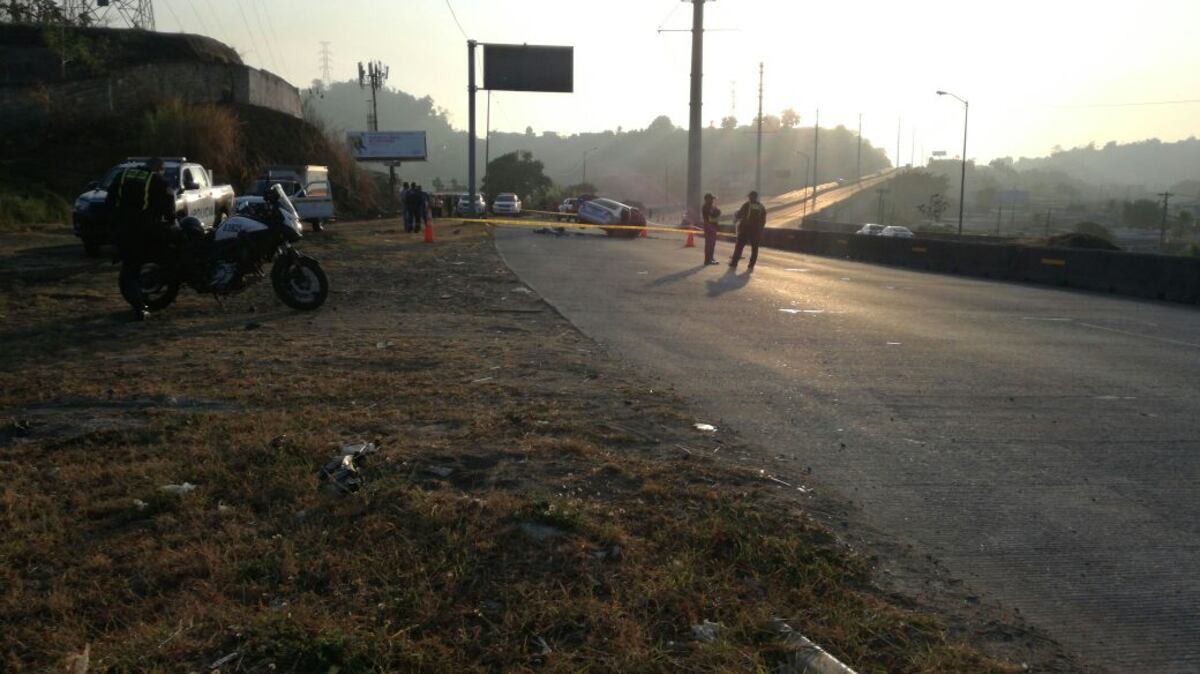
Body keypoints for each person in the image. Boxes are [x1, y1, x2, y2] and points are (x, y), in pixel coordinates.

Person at [105, 157, 176, 320]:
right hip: (143, 229)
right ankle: (139, 308)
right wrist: (170, 221)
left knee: (130, 265)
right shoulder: (157, 180)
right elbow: (168, 206)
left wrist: (113, 223)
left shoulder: (123, 175)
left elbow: (109, 200)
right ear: (159, 168)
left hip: (122, 228)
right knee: (134, 267)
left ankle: (139, 299)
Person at [730, 190, 767, 271]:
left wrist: (736, 216)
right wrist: (760, 230)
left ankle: (734, 263)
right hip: (756, 231)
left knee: (739, 247)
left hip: (745, 230)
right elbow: (763, 220)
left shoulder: (746, 205)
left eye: (749, 196)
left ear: (750, 197)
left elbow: (739, 215)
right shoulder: (761, 207)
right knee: (754, 249)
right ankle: (751, 265)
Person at [701, 193, 721, 265]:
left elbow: (717, 213)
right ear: (707, 199)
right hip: (709, 226)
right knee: (709, 244)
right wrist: (717, 212)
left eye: (713, 199)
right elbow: (713, 214)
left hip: (713, 226)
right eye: (711, 199)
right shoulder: (706, 207)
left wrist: (717, 211)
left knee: (712, 244)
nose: (713, 200)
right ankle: (707, 260)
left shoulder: (710, 206)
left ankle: (711, 258)